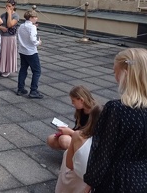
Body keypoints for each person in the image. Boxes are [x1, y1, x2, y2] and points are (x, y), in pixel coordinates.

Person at [84, 48, 147, 193]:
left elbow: (103, 153)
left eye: (115, 72)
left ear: (126, 74)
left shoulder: (116, 109)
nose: (115, 76)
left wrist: (89, 184)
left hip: (117, 180)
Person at [55, 104, 102, 193]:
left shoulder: (79, 136)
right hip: (92, 182)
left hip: (79, 179)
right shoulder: (113, 143)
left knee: (67, 156)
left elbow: (69, 165)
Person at [47, 85, 96, 150]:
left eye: (73, 100)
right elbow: (79, 129)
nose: (72, 103)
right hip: (80, 135)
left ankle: (76, 156)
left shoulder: (96, 112)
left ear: (81, 100)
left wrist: (71, 132)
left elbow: (91, 136)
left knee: (64, 140)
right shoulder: (81, 110)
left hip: (89, 142)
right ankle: (72, 153)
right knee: (51, 139)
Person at [17, 10, 43, 99]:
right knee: (37, 71)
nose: (37, 18)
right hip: (31, 51)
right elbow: (32, 38)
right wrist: (38, 43)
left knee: (23, 69)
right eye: (35, 17)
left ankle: (20, 88)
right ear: (31, 18)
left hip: (22, 50)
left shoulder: (21, 26)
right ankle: (33, 90)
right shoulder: (32, 27)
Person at [0, 0, 19, 77]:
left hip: (10, 38)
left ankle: (7, 69)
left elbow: (9, 25)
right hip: (2, 36)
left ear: (13, 6)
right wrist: (1, 28)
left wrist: (9, 14)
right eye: (6, 6)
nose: (7, 8)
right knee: (1, 53)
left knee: (8, 53)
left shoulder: (15, 16)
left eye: (9, 6)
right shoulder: (3, 15)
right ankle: (0, 67)